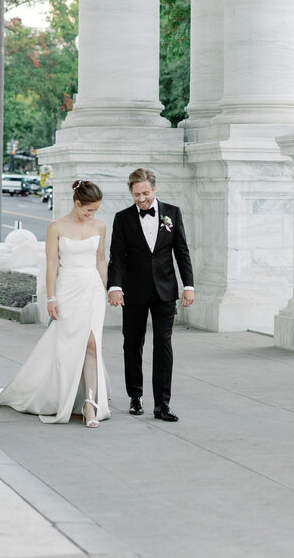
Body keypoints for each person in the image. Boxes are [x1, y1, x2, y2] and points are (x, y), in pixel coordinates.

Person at [0, 179, 110, 426]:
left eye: (95, 211)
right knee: (70, 346)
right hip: (67, 290)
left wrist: (106, 288)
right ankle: (61, 396)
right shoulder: (56, 227)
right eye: (88, 210)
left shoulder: (100, 226)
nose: (91, 215)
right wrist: (51, 297)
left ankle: (89, 404)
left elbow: (101, 260)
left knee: (92, 345)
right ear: (77, 203)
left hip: (92, 290)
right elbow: (51, 265)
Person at [107, 167, 194, 421]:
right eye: (136, 194)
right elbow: (117, 257)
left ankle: (162, 405)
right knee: (132, 344)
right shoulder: (122, 218)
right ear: (131, 193)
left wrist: (188, 285)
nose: (141, 198)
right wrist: (115, 287)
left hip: (165, 291)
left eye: (145, 193)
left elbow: (182, 252)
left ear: (154, 189)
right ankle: (135, 396)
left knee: (163, 345)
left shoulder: (172, 213)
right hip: (133, 292)